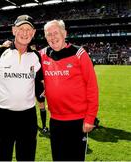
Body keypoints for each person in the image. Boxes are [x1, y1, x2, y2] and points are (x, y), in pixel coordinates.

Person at [0, 15, 43, 161]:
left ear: (34, 32)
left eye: (28, 29)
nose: (25, 32)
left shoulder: (36, 56)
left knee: (27, 158)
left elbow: (41, 82)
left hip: (28, 117)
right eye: (21, 28)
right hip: (4, 117)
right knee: (3, 158)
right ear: (14, 30)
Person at [39, 20, 99, 161]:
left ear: (64, 33)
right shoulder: (42, 55)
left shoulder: (79, 54)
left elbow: (92, 87)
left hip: (78, 120)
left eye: (56, 33)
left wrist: (90, 118)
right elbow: (26, 57)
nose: (53, 37)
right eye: (49, 35)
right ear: (45, 37)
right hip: (55, 120)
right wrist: (9, 45)